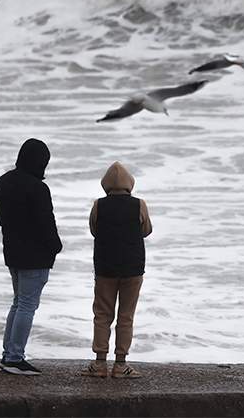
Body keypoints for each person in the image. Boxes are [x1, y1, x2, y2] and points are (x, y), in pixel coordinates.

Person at [0, 138, 62, 376]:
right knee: (26, 305)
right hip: (35, 256)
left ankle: (8, 354)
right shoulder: (38, 188)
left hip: (13, 251)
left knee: (18, 302)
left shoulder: (4, 181)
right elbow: (46, 223)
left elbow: (1, 216)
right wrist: (56, 246)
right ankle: (14, 358)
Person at [86, 161, 152, 379]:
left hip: (105, 267)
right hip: (133, 268)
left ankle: (99, 364)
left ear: (105, 184)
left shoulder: (99, 205)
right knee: (126, 316)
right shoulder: (139, 204)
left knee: (102, 314)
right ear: (129, 184)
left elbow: (94, 230)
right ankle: (121, 364)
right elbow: (147, 230)